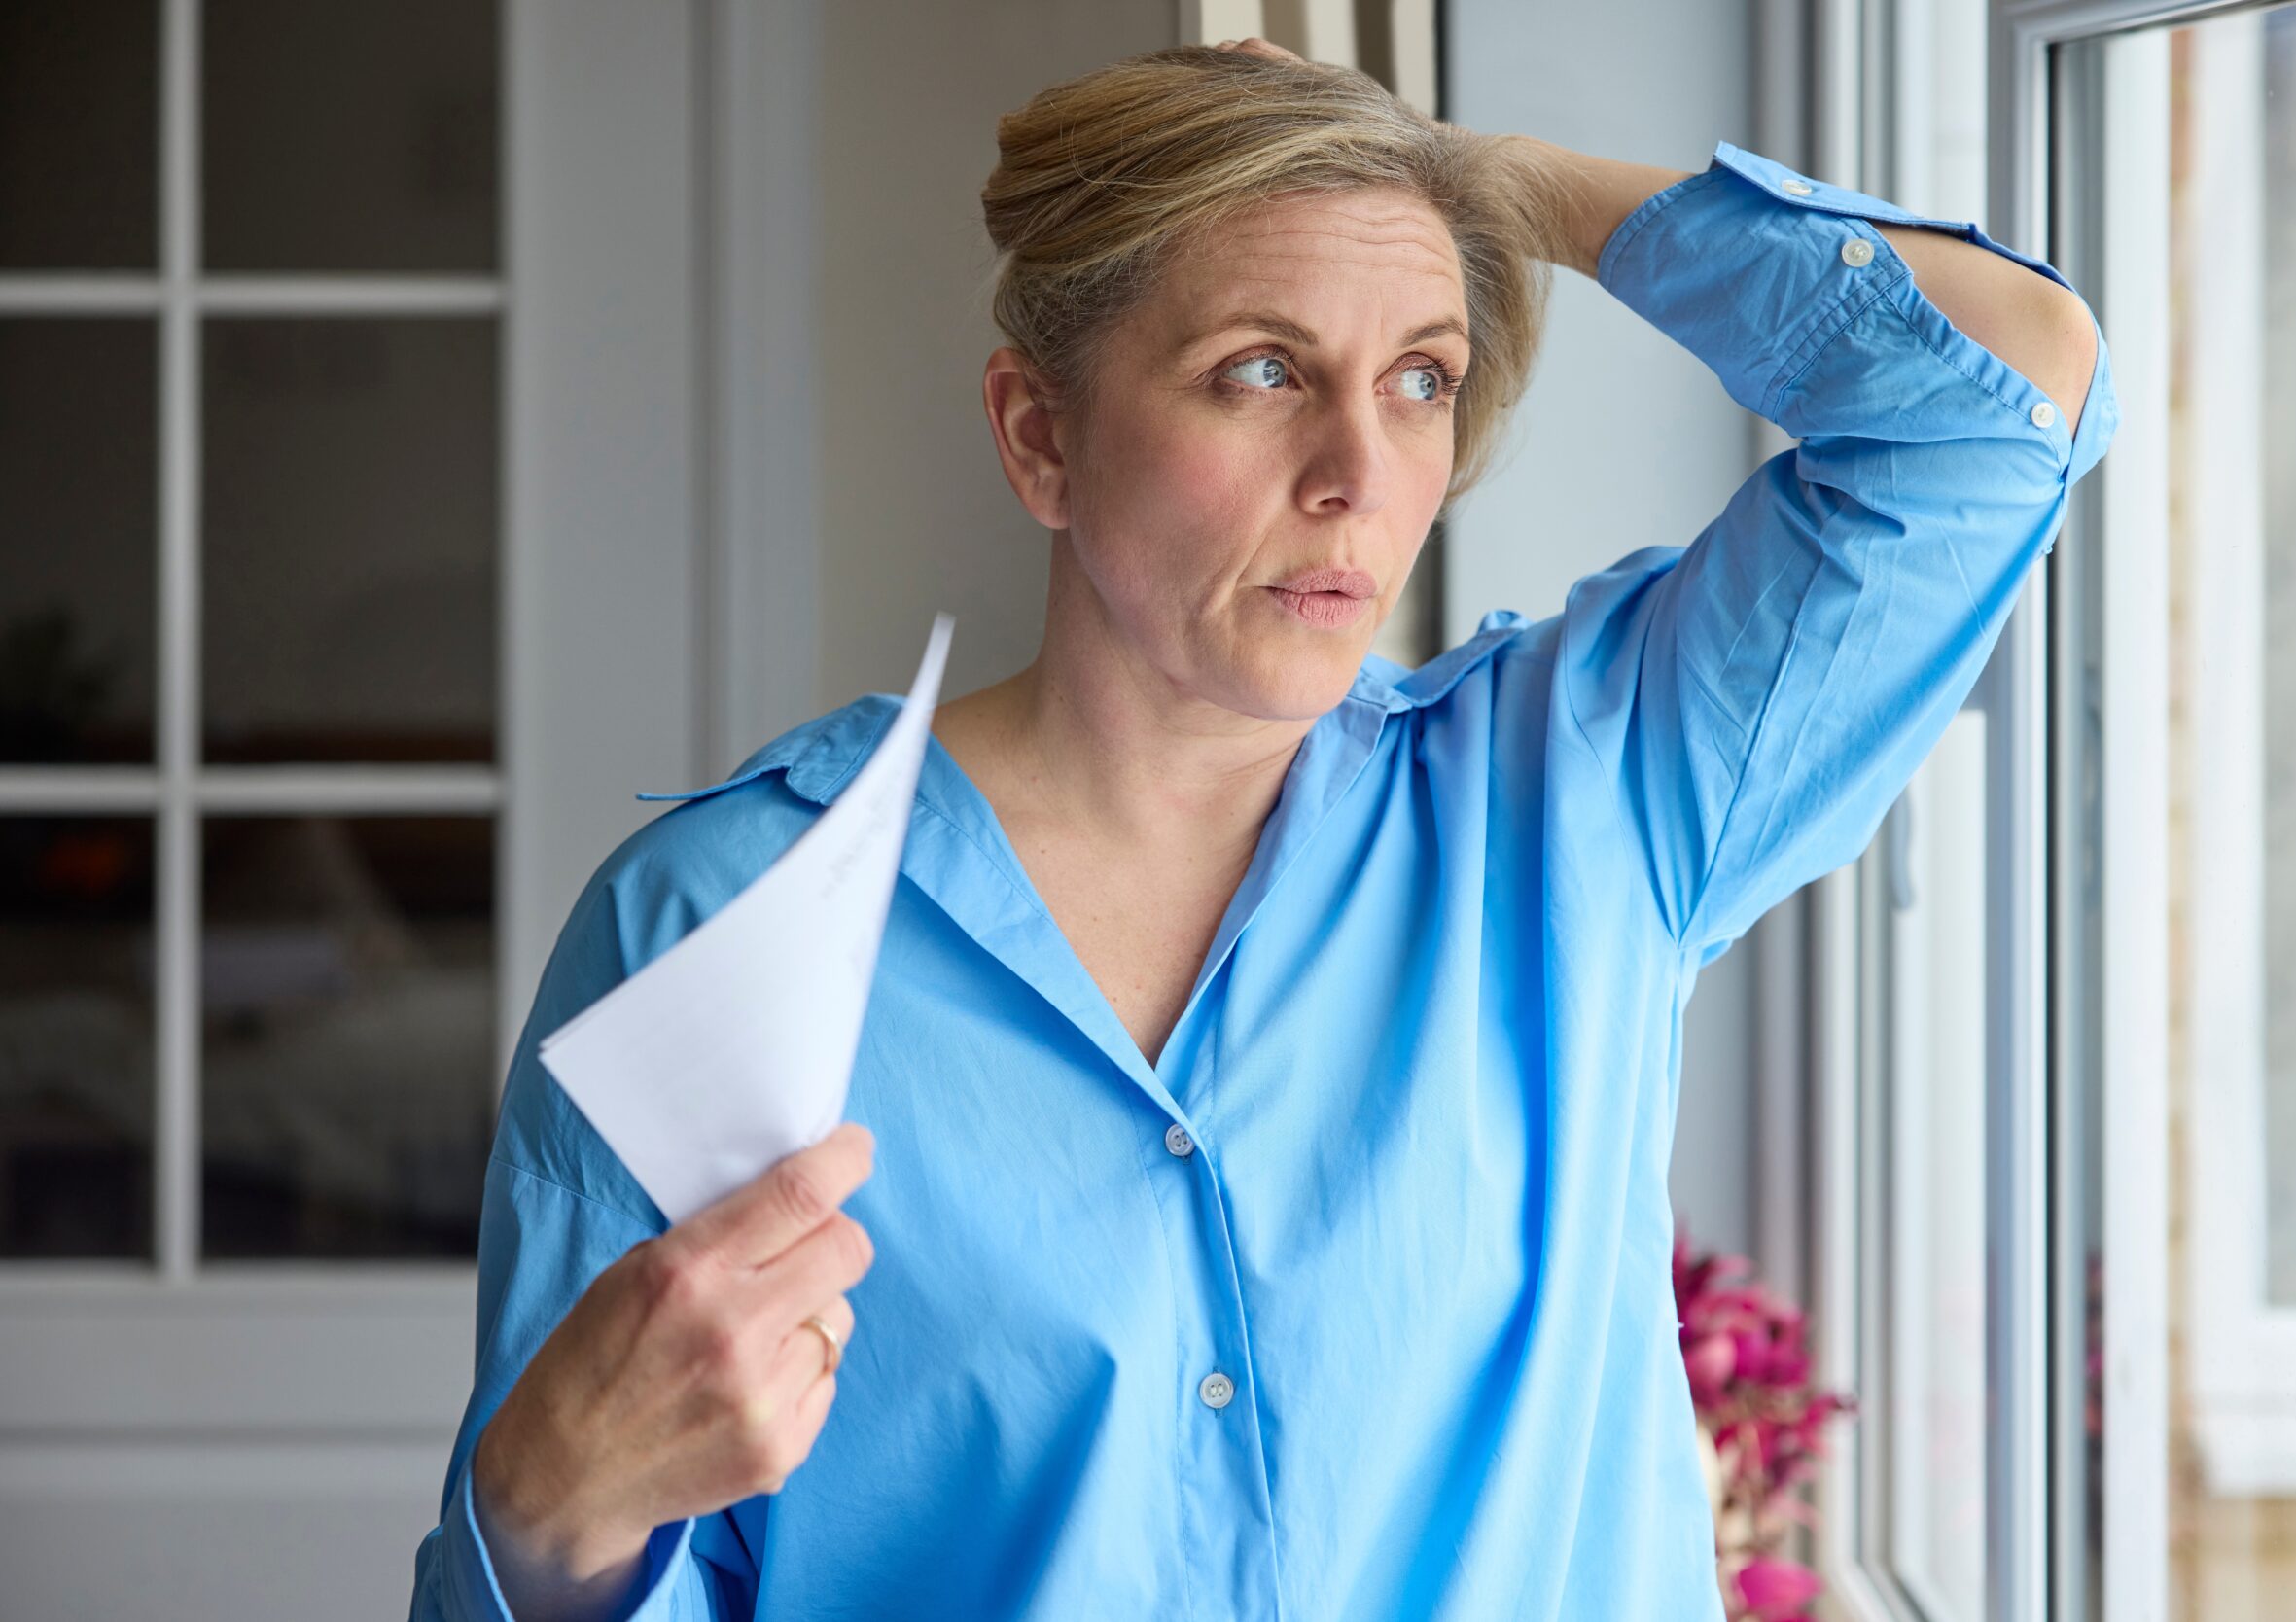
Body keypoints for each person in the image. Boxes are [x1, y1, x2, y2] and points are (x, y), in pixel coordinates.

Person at [409, 36, 2114, 1622]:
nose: (1357, 470)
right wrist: (547, 1519)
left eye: (1423, 377)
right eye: (1260, 371)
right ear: (1040, 436)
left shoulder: (1591, 799)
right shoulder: (717, 925)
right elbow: (582, 1543)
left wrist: (1489, 182)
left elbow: (2000, 401)